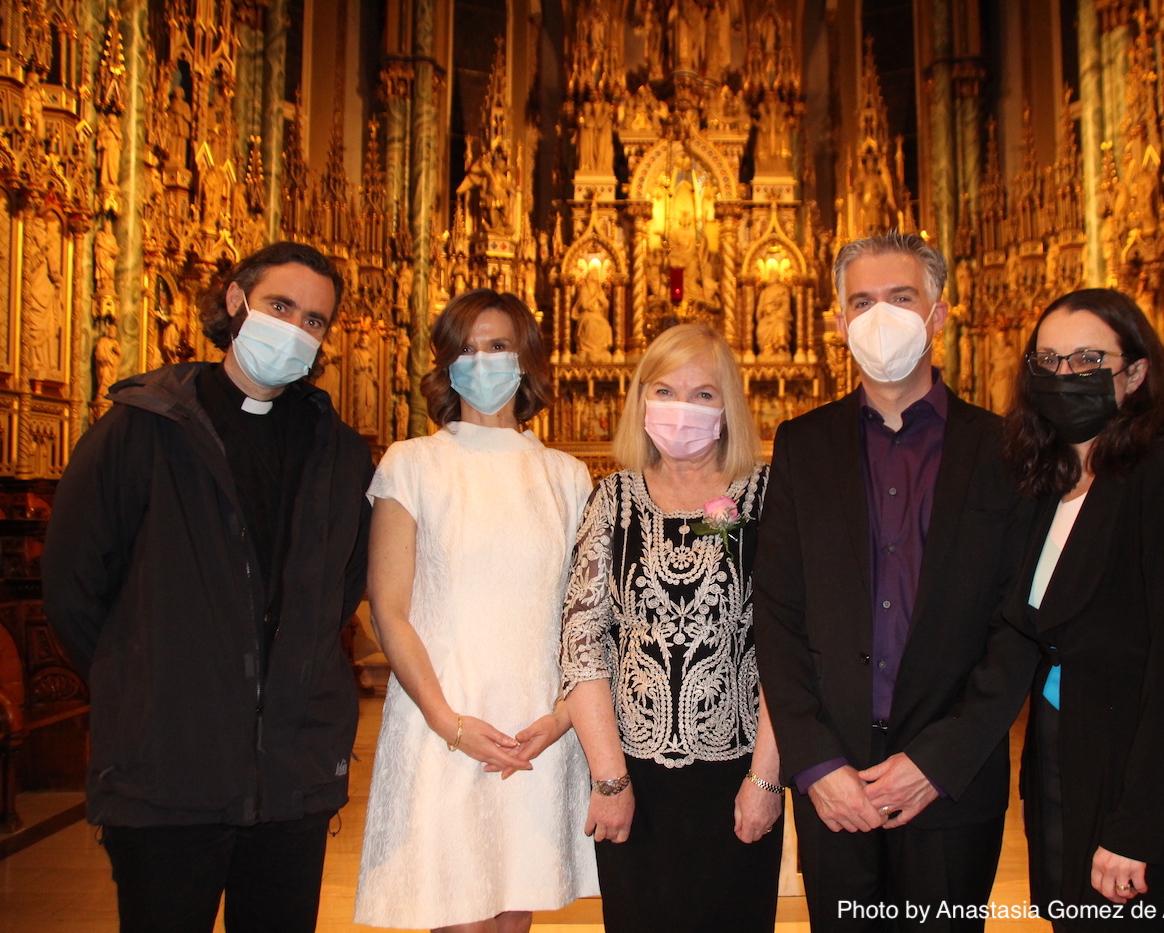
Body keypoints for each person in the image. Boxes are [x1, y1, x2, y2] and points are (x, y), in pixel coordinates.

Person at [42, 242, 374, 933]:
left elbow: (336, 590)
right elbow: (73, 583)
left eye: (314, 321)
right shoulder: (141, 426)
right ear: (235, 301)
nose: (295, 329)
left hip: (290, 781)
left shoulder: (338, 451)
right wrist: (143, 682)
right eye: (281, 306)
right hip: (167, 773)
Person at [753, 232, 1037, 932]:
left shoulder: (1002, 449)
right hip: (833, 777)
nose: (882, 316)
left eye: (901, 298)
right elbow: (777, 616)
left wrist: (938, 759)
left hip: (950, 780)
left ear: (938, 316)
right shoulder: (801, 445)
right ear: (840, 323)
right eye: (862, 301)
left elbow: (1018, 625)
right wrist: (815, 761)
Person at [1002, 288, 1164, 928]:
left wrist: (1136, 828)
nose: (1065, 376)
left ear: (1135, 373)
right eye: (1048, 361)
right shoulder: (1046, 483)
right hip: (1063, 760)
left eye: (1087, 359)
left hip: (1144, 782)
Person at [354, 289, 597, 932]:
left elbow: (589, 617)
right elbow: (391, 608)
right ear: (444, 365)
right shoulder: (413, 464)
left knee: (513, 914)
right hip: (445, 718)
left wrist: (563, 717)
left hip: (535, 728)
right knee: (454, 910)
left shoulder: (567, 476)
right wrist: (448, 721)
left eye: (498, 347)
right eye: (467, 348)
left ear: (527, 363)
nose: (482, 361)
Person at [560, 323, 783, 933]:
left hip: (739, 773)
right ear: (639, 401)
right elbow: (583, 645)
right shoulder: (613, 499)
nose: (682, 408)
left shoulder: (764, 498)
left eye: (703, 394)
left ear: (729, 406)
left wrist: (766, 777)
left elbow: (790, 652)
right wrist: (609, 780)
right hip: (632, 778)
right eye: (664, 390)